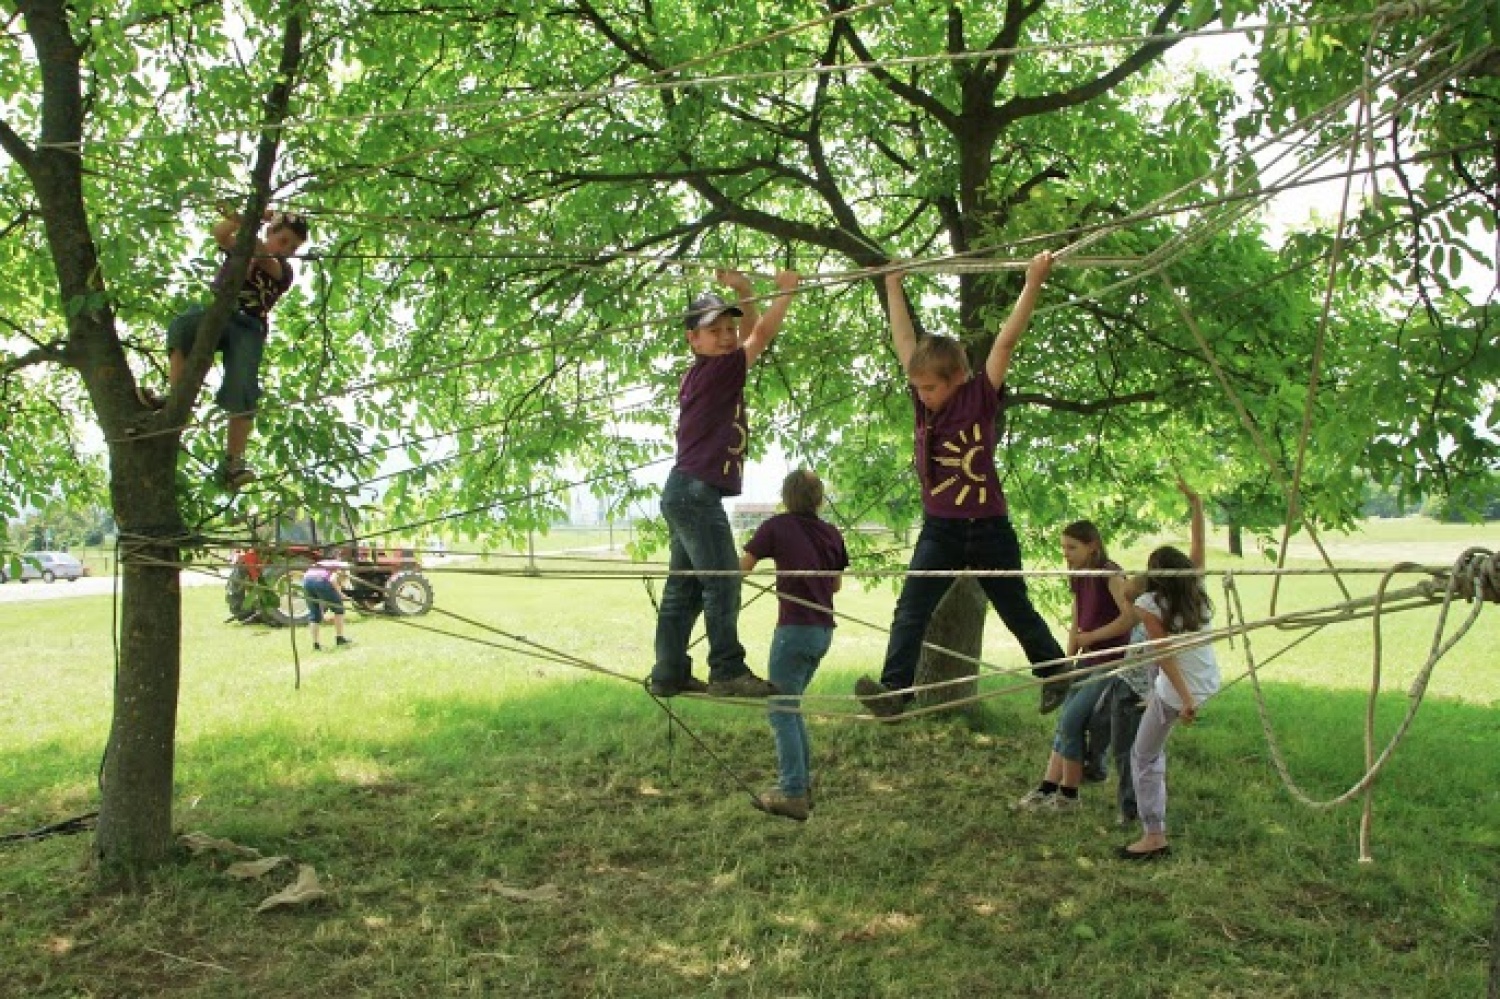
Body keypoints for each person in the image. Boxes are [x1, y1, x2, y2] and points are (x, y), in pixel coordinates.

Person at [854, 253, 1071, 718]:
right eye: (918, 388)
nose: (922, 395)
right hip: (941, 529)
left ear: (956, 379)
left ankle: (1055, 673)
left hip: (988, 526)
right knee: (911, 608)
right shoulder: (922, 405)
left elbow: (1007, 343)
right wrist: (893, 285)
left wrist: (1033, 281)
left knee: (1015, 607)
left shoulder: (979, 397)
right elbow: (905, 340)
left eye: (930, 388)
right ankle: (895, 692)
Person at [648, 268, 800, 699]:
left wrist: (748, 295)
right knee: (723, 580)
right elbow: (761, 336)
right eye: (714, 331)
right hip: (695, 494)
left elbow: (751, 336)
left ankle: (669, 671)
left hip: (684, 491)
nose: (727, 336)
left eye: (729, 328)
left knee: (684, 587)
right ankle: (727, 670)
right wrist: (783, 294)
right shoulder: (717, 371)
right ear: (693, 341)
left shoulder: (710, 373)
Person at [142, 206, 309, 490]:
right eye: (284, 241)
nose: (288, 249)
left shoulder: (283, 269)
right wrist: (243, 217)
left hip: (248, 326)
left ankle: (233, 462)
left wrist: (250, 218)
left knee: (242, 384)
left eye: (293, 247)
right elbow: (220, 233)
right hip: (221, 311)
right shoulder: (241, 249)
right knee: (183, 327)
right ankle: (176, 400)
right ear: (271, 232)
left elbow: (261, 254)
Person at [740, 469, 849, 821]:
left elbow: (742, 568)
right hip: (822, 633)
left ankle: (792, 791)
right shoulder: (832, 533)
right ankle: (799, 784)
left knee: (781, 710)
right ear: (818, 499)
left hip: (794, 630)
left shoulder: (776, 527)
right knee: (791, 706)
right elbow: (834, 587)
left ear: (786, 497)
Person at [1120, 478, 1218, 860]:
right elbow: (1198, 547)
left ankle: (1154, 834)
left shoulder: (1148, 603)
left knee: (1143, 756)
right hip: (1207, 680)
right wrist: (1196, 504)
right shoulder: (1195, 589)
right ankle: (1154, 701)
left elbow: (1165, 656)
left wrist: (1187, 701)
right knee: (1154, 677)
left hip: (1181, 691)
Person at [1015, 520, 1134, 811]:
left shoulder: (1110, 573)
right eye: (1063, 547)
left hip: (1112, 660)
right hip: (1087, 660)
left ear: (1093, 545)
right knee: (1065, 722)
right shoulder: (1079, 575)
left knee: (1071, 721)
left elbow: (1131, 616)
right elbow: (1077, 620)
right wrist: (1068, 663)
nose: (1065, 553)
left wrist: (1092, 636)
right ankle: (1047, 788)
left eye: (1072, 547)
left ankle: (1069, 796)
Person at [302, 558, 352, 651]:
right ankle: (340, 638)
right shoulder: (343, 565)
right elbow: (333, 580)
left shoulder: (325, 563)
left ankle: (316, 645)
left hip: (306, 581)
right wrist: (341, 595)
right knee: (339, 608)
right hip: (320, 580)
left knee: (314, 614)